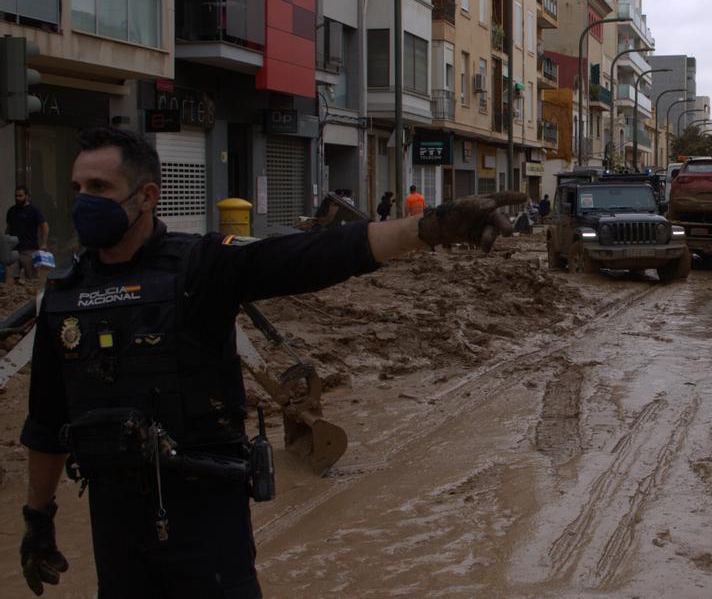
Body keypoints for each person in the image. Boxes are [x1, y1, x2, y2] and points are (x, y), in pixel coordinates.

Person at [18, 128, 525, 598]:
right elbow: (45, 424)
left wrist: (429, 228)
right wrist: (38, 519)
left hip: (205, 514)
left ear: (146, 196)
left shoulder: (202, 266)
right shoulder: (63, 298)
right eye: (78, 185)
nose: (83, 200)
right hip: (114, 521)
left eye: (100, 187)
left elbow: (314, 253)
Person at [6, 186, 48, 283]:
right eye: (16, 196)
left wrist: (44, 243)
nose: (17, 198)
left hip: (30, 249)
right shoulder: (12, 210)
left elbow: (45, 226)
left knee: (32, 279)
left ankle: (33, 297)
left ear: (27, 196)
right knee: (11, 280)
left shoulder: (33, 210)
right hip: (14, 250)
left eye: (20, 196)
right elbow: (8, 228)